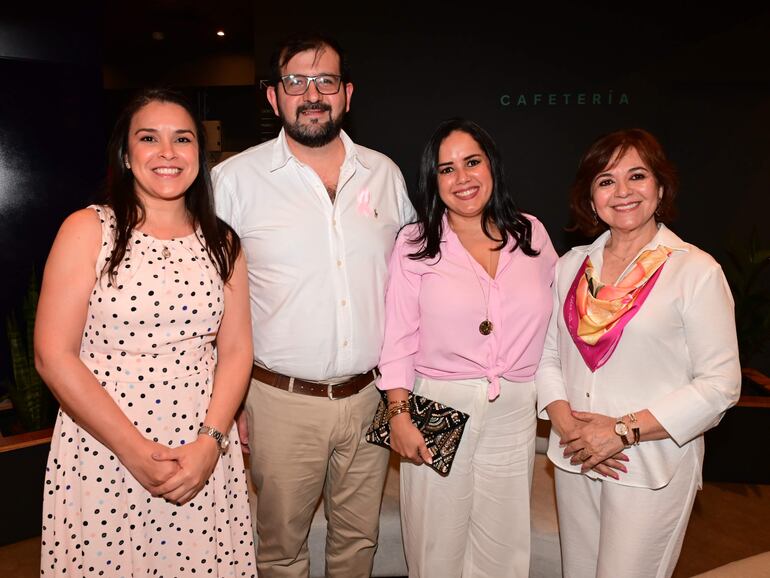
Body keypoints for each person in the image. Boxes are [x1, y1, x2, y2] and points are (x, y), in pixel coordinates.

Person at [211, 33, 414, 578]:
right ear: (273, 97)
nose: (312, 93)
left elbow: (414, 282)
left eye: (325, 81)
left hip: (371, 395)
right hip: (280, 401)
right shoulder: (234, 181)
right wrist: (229, 403)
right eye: (296, 81)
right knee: (280, 549)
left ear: (346, 94)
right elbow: (211, 302)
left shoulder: (385, 174)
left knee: (359, 543)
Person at [34, 88, 256, 577]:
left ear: (201, 152)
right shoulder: (88, 229)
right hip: (104, 447)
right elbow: (53, 355)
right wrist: (134, 452)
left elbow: (237, 351)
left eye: (183, 139)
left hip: (200, 451)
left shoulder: (224, 243)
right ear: (126, 154)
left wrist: (210, 444)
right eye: (149, 138)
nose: (168, 152)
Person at [535, 128, 741, 578]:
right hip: (575, 456)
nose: (622, 191)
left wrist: (623, 431)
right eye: (606, 180)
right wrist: (567, 425)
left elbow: (721, 386)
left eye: (637, 176)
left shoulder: (695, 271)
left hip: (649, 462)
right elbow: (549, 353)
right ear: (591, 198)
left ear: (660, 188)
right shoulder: (572, 266)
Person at [378, 118, 557, 578]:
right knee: (436, 541)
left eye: (472, 162)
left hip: (515, 405)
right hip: (438, 399)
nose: (462, 178)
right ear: (432, 182)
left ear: (491, 166)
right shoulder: (415, 243)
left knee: (504, 539)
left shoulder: (531, 233)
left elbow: (559, 320)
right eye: (446, 169)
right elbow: (397, 334)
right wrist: (398, 414)